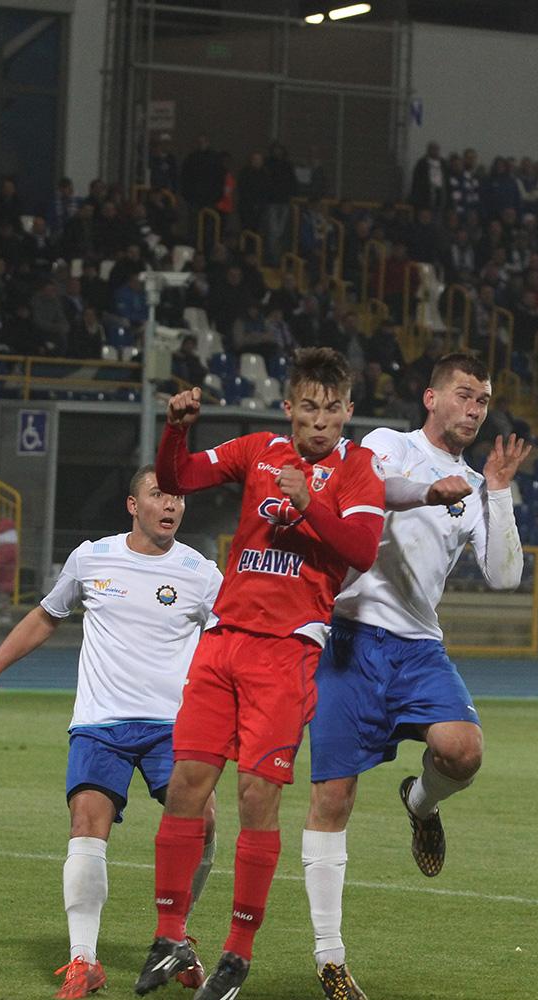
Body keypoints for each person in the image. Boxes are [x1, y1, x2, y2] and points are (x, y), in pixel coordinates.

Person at [134, 347, 386, 1000]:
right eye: (309, 408)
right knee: (187, 784)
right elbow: (180, 476)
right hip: (223, 641)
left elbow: (361, 550)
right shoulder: (258, 450)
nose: (320, 421)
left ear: (348, 412)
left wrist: (308, 504)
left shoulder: (359, 470)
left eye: (332, 410)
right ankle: (169, 935)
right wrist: (176, 430)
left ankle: (237, 954)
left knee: (255, 796)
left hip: (287, 652)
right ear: (289, 407)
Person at [302, 352, 531, 999]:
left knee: (463, 750)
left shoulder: (474, 487)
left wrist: (498, 491)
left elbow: (505, 575)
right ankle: (330, 957)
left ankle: (419, 803)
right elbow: (371, 496)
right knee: (333, 798)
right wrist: (428, 493)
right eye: (464, 394)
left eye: (483, 400)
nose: (474, 409)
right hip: (350, 638)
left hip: (418, 647)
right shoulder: (387, 445)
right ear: (431, 398)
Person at [0, 467, 223, 1000]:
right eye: (158, 494)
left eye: (177, 496)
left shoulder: (201, 573)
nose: (170, 505)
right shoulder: (91, 558)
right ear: (133, 504)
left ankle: (174, 939)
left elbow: (226, 644)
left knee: (202, 823)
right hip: (100, 722)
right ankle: (84, 961)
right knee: (86, 824)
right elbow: (46, 615)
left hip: (173, 724)